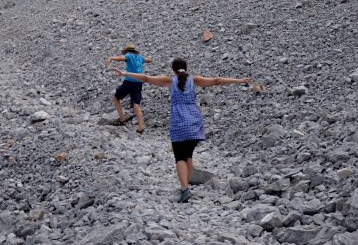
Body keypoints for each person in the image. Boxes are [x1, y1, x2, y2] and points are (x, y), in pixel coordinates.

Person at [112, 57, 260, 202]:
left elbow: (145, 78)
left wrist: (125, 74)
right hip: (195, 122)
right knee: (188, 155)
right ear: (186, 68)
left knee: (180, 156)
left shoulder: (169, 80)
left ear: (173, 70)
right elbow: (216, 80)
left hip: (179, 122)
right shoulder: (194, 80)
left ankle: (184, 190)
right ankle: (186, 186)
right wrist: (239, 80)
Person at [105, 44, 152, 133]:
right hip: (139, 82)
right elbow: (149, 60)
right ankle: (141, 128)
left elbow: (121, 58)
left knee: (116, 98)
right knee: (136, 104)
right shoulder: (140, 57)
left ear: (127, 51)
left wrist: (111, 58)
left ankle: (122, 120)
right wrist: (149, 58)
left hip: (129, 81)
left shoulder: (128, 55)